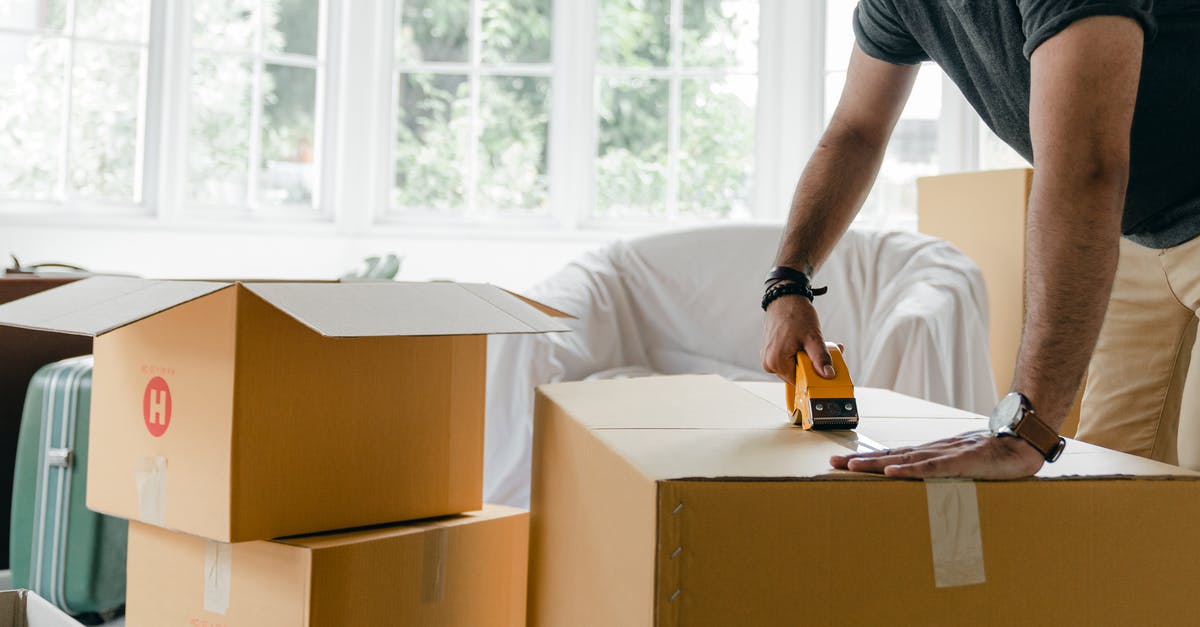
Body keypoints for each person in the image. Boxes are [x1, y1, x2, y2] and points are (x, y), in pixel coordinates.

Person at [761, 0, 1200, 479]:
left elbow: (1085, 169)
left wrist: (1024, 427)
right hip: (1138, 236)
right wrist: (788, 281)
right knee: (1114, 492)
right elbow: (856, 132)